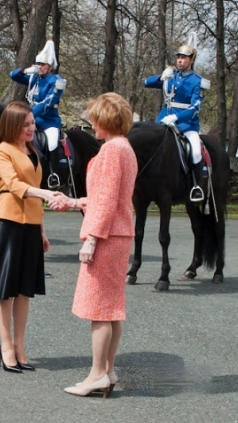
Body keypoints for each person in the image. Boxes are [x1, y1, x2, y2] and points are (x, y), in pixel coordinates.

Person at [49, 92, 137, 397]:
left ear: (106, 119)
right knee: (111, 310)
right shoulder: (124, 148)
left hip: (108, 236)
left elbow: (109, 201)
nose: (91, 122)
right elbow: (105, 198)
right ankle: (107, 370)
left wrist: (93, 240)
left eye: (94, 118)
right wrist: (73, 201)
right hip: (118, 233)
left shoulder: (113, 150)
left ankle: (98, 374)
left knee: (100, 309)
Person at [0, 101, 54, 374]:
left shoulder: (32, 149)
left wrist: (42, 230)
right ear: (12, 125)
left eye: (32, 123)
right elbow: (13, 185)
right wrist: (47, 194)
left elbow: (34, 188)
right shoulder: (2, 150)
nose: (31, 128)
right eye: (25, 124)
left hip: (32, 223)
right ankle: (5, 346)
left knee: (25, 290)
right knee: (6, 291)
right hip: (10, 221)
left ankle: (20, 345)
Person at [144, 31, 210, 202]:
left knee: (195, 151)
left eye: (184, 57)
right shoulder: (171, 76)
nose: (180, 60)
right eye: (179, 57)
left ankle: (196, 186)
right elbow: (146, 83)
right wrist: (160, 77)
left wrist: (177, 118)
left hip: (187, 124)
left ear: (191, 60)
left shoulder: (198, 81)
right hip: (163, 121)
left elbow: (195, 107)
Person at [10, 40, 67, 187]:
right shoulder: (34, 78)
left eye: (43, 65)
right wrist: (25, 70)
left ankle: (53, 175)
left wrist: (28, 114)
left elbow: (48, 103)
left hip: (48, 121)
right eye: (39, 64)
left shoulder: (56, 80)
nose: (40, 67)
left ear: (50, 66)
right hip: (31, 120)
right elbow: (13, 75)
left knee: (53, 142)